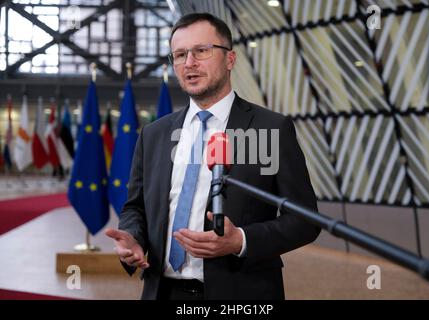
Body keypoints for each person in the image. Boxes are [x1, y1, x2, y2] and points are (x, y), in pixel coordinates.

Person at [105, 12, 320, 300]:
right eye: (179, 54)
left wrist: (240, 241)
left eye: (201, 51)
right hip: (162, 292)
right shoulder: (154, 134)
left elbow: (304, 220)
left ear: (230, 59)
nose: (189, 63)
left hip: (241, 294)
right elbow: (135, 208)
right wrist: (133, 239)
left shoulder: (271, 128)